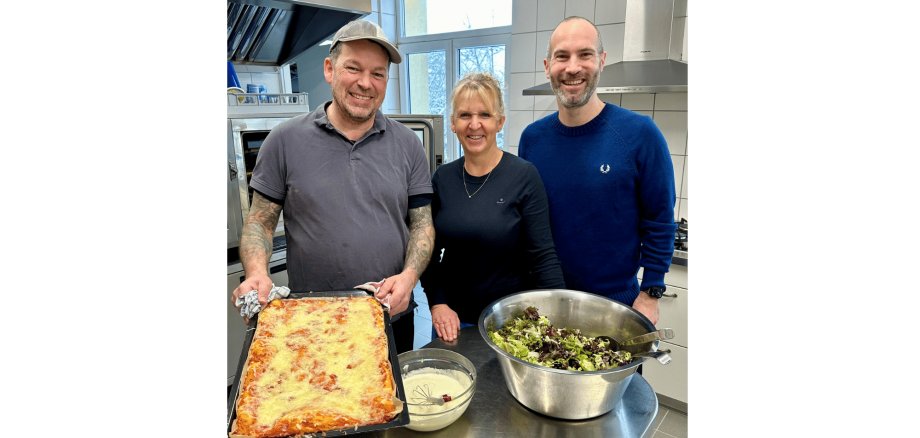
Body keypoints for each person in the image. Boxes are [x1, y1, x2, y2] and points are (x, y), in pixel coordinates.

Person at [231, 19, 435, 354]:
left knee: (392, 403)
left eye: (378, 73)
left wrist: (410, 277)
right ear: (330, 69)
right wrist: (256, 272)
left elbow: (422, 224)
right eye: (353, 68)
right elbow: (259, 222)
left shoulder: (407, 144)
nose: (365, 83)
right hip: (314, 321)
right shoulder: (284, 141)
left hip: (391, 318)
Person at [518, 16, 677, 325]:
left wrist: (651, 293)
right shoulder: (532, 139)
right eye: (562, 56)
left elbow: (660, 221)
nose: (572, 67)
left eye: (585, 54)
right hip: (546, 307)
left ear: (602, 61)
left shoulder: (641, 134)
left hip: (616, 309)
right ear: (547, 65)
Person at [421, 72, 566, 342]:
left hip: (510, 324)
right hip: (452, 321)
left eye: (485, 115)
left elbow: (543, 255)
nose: (474, 125)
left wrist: (556, 320)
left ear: (499, 122)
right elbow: (428, 252)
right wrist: (438, 303)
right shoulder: (443, 178)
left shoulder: (523, 176)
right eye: (465, 115)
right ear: (453, 123)